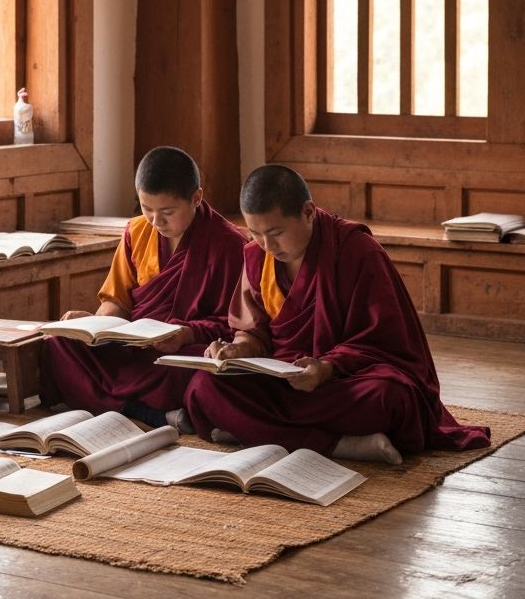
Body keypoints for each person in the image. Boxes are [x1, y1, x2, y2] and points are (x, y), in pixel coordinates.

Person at [185, 164, 490, 464]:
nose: (267, 245)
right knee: (204, 385)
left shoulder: (355, 250)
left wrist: (327, 367)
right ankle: (341, 445)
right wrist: (238, 348)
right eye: (255, 234)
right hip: (282, 379)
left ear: (308, 212)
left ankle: (255, 429)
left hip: (340, 382)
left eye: (276, 233)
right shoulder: (256, 256)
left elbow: (385, 341)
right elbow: (254, 331)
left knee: (390, 398)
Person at [40, 147, 246, 428]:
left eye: (167, 212)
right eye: (147, 209)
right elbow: (118, 303)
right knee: (58, 345)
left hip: (177, 353)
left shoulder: (229, 244)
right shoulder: (136, 231)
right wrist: (91, 325)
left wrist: (185, 334)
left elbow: (234, 326)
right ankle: (152, 414)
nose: (156, 221)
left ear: (196, 198)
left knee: (202, 369)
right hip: (132, 347)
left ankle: (112, 404)